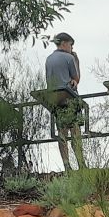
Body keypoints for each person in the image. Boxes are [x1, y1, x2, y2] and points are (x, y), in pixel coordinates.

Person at [44, 32, 86, 169]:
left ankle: (66, 164)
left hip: (56, 99)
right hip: (69, 98)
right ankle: (81, 163)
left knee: (62, 133)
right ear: (64, 43)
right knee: (75, 132)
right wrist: (76, 61)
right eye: (70, 45)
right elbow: (76, 78)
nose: (71, 48)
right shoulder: (69, 57)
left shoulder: (49, 59)